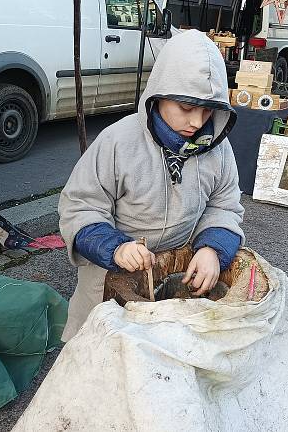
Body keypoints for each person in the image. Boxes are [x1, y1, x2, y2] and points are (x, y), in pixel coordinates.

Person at [58, 30, 245, 341]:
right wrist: (115, 247)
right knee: (100, 361)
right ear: (159, 95)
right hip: (111, 274)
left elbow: (224, 204)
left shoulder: (219, 149)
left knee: (167, 361)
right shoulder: (117, 141)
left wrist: (213, 249)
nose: (197, 123)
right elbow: (81, 205)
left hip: (178, 275)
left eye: (208, 110)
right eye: (186, 108)